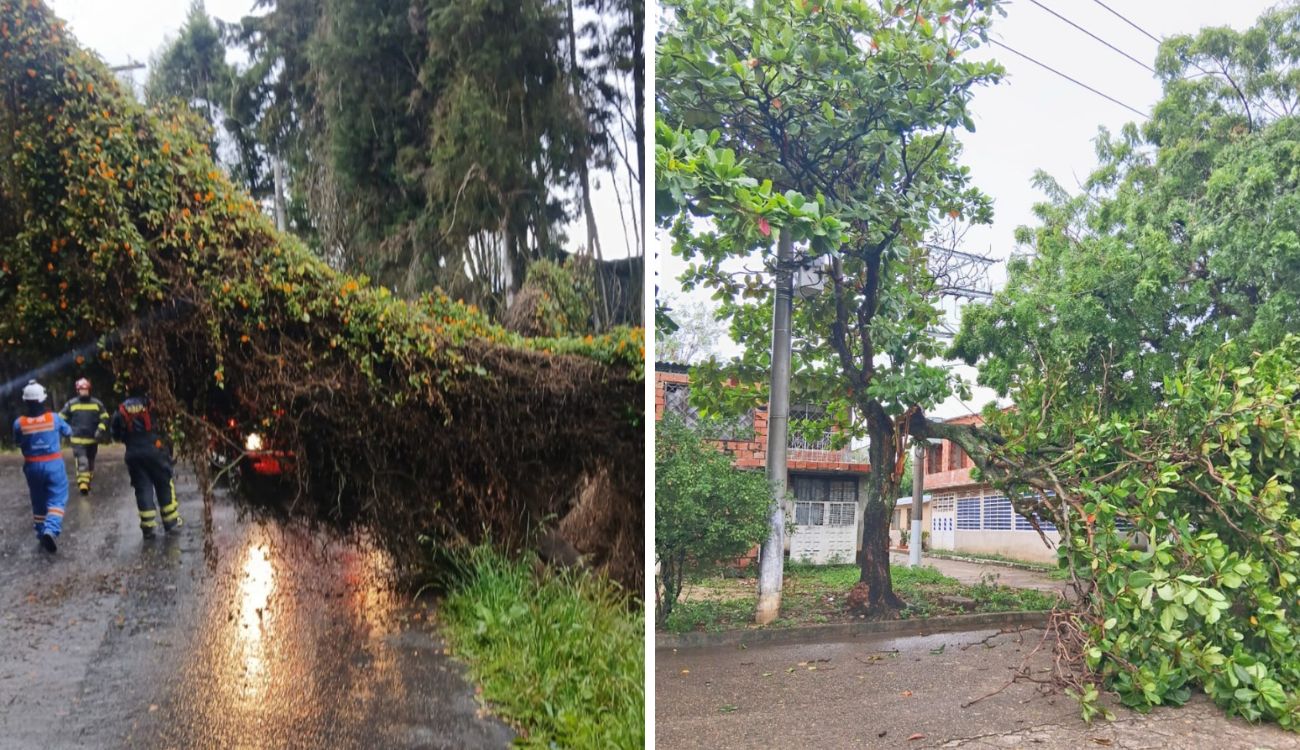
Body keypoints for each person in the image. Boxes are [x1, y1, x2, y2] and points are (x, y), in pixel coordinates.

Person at [109, 386, 182, 539]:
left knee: (142, 489)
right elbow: (167, 423)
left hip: (133, 453)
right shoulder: (152, 403)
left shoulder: (122, 409)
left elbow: (115, 433)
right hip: (155, 450)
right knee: (163, 484)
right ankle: (171, 524)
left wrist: (127, 438)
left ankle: (148, 528)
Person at [12, 380, 72, 553]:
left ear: (26, 401)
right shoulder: (53, 418)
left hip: (32, 466)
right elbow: (68, 432)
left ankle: (40, 533)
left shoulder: (19, 423)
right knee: (57, 497)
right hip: (53, 464)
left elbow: (17, 442)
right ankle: (50, 530)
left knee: (38, 500)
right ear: (43, 400)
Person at [59, 377, 109, 495]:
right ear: (78, 390)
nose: (84, 392)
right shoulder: (72, 404)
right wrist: (67, 430)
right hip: (77, 440)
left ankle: (87, 481)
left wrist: (100, 430)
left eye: (86, 389)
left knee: (90, 462)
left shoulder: (97, 404)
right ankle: (83, 485)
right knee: (83, 461)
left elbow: (105, 417)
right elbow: (60, 418)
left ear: (89, 390)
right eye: (82, 389)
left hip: (92, 440)